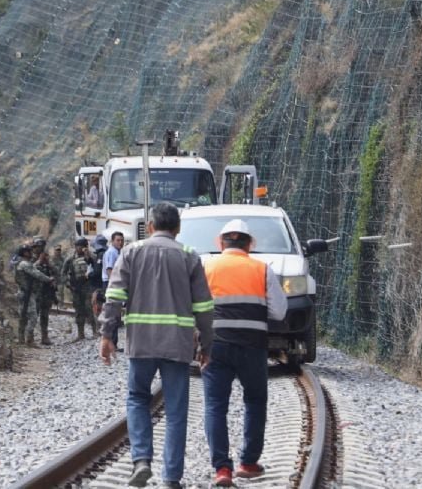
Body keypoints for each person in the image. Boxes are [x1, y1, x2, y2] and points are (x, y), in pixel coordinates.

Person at [99, 203, 215, 488]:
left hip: (141, 343)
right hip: (177, 345)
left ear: (150, 227)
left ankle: (141, 460)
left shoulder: (131, 252)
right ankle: (172, 478)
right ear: (177, 229)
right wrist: (207, 346)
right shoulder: (189, 256)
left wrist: (107, 335)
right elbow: (204, 307)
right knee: (176, 411)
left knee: (138, 399)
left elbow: (113, 297)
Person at [199, 219, 287, 487]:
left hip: (216, 347)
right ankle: (248, 463)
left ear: (220, 243)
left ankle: (222, 470)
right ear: (250, 244)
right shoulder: (262, 270)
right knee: (255, 401)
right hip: (252, 346)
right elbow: (279, 311)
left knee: (215, 406)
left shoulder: (207, 267)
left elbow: (194, 308)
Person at [14, 244, 55, 347]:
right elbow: (36, 273)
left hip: (23, 292)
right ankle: (29, 340)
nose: (31, 252)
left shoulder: (20, 263)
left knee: (23, 316)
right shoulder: (25, 264)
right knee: (33, 316)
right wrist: (48, 279)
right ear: (24, 253)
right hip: (27, 294)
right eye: (28, 251)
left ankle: (21, 339)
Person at [62, 237, 98, 340]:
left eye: (81, 247)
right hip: (76, 287)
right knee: (78, 310)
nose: (78, 249)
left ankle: (95, 331)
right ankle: (80, 333)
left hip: (88, 287)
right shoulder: (71, 258)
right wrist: (67, 283)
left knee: (89, 308)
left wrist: (88, 254)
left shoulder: (92, 256)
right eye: (77, 246)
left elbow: (96, 266)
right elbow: (63, 273)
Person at [32, 237, 57, 345]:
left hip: (46, 292)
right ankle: (30, 337)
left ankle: (44, 337)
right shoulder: (31, 258)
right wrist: (39, 261)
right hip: (35, 292)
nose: (40, 248)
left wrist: (48, 263)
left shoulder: (46, 258)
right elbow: (30, 271)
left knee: (45, 315)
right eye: (39, 246)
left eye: (42, 246)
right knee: (33, 315)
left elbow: (55, 272)